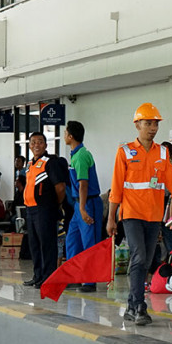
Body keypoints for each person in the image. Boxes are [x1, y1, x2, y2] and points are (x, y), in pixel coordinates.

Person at [107, 103, 172, 325]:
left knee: (147, 260)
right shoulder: (124, 152)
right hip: (132, 214)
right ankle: (139, 307)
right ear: (137, 125)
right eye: (148, 123)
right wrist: (111, 218)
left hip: (154, 216)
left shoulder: (163, 153)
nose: (152, 128)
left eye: (155, 123)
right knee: (140, 257)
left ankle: (131, 304)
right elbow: (116, 188)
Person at [22, 132, 67, 288]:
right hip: (30, 209)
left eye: (40, 142)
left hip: (44, 209)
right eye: (33, 142)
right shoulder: (30, 164)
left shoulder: (50, 162)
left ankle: (48, 277)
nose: (36, 145)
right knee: (34, 245)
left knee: (47, 244)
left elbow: (60, 187)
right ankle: (38, 275)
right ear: (29, 146)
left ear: (46, 145)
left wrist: (56, 204)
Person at [64, 121, 103, 293]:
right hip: (79, 203)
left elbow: (84, 184)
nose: (64, 135)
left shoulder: (80, 156)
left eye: (65, 132)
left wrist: (82, 209)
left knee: (90, 242)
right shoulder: (75, 154)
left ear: (71, 136)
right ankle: (74, 277)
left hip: (88, 203)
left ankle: (90, 281)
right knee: (72, 239)